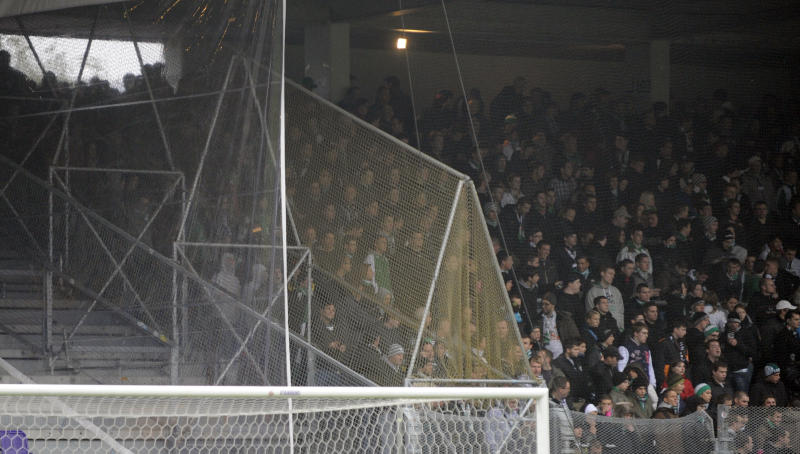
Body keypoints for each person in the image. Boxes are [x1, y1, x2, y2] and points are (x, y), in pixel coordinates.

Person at [532, 292, 580, 360]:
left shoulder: (564, 318)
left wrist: (568, 349)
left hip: (562, 351)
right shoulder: (538, 319)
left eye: (546, 304)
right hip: (545, 352)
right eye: (542, 304)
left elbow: (575, 336)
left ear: (553, 305)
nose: (543, 306)